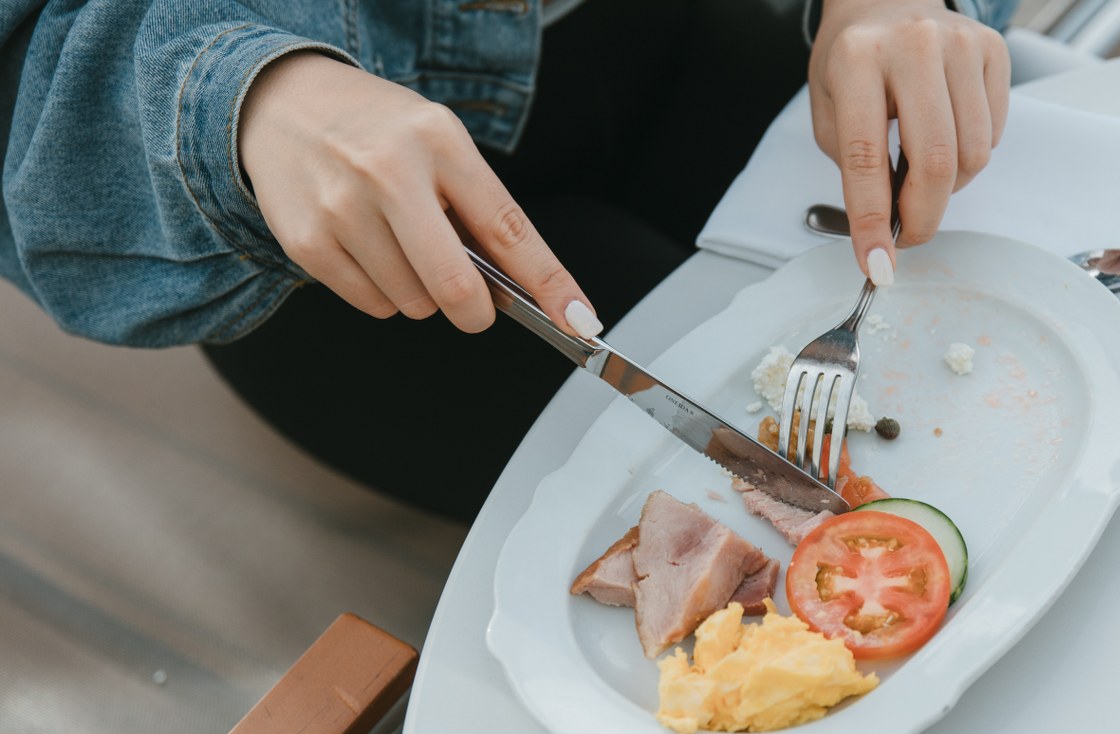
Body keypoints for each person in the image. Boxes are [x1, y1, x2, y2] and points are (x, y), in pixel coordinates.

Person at [0, 0, 1014, 520]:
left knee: (964, 400)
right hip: (323, 238)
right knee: (760, 520)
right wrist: (243, 99)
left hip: (678, 36)